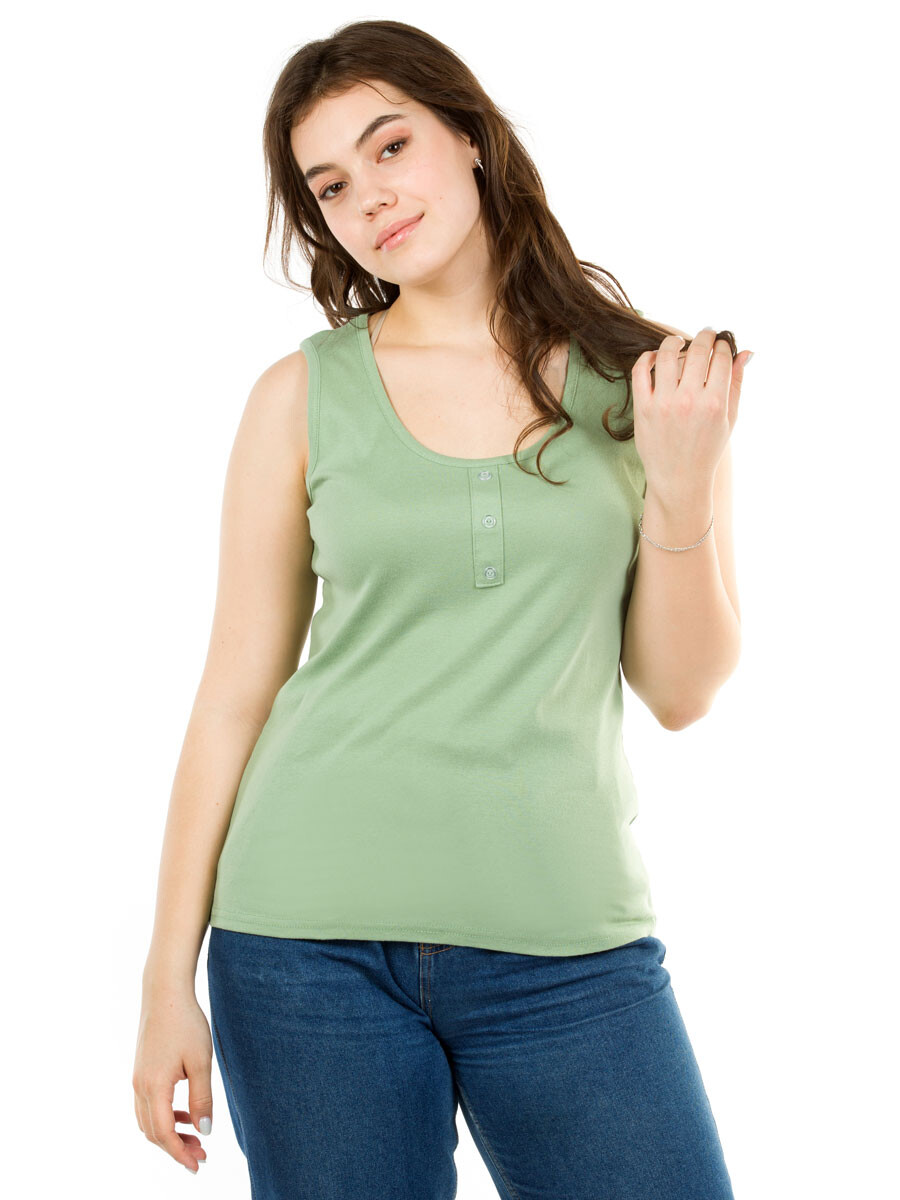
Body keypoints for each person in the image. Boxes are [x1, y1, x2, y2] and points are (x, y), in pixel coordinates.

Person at [132, 19, 749, 1199]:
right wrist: (167, 979)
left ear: (469, 136)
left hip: (569, 944)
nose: (368, 197)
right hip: (304, 948)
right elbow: (232, 697)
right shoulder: (298, 396)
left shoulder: (655, 382)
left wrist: (679, 485)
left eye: (390, 146)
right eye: (330, 185)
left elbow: (683, 692)